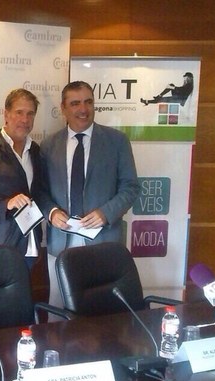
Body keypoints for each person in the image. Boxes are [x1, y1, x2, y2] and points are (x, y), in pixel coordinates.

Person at [37, 81, 139, 314]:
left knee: (103, 311)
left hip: (103, 240)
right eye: (75, 103)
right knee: (59, 312)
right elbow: (40, 191)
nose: (83, 109)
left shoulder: (117, 141)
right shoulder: (48, 145)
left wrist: (106, 213)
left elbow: (131, 187)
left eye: (88, 102)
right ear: (63, 108)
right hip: (61, 242)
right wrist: (51, 213)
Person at [0, 89, 43, 269]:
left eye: (30, 114)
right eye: (19, 112)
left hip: (31, 244)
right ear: (6, 114)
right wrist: (7, 204)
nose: (25, 119)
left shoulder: (36, 151)